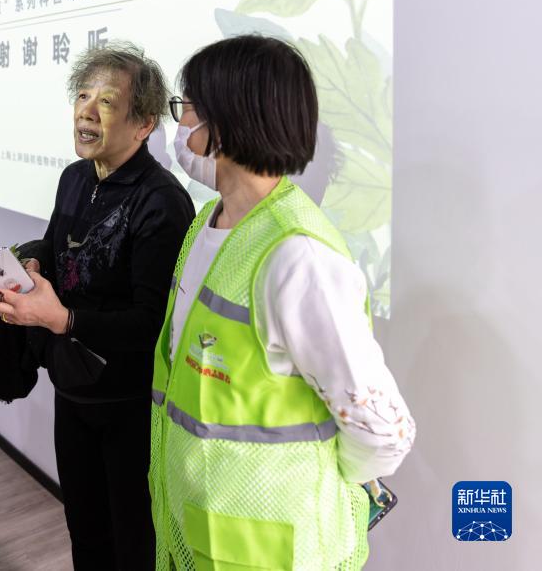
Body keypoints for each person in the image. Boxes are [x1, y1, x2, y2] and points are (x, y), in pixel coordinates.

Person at [150, 35, 416, 570]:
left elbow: (384, 432)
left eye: (187, 108)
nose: (179, 125)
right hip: (194, 528)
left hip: (270, 549)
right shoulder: (207, 225)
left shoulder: (300, 258)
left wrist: (311, 476)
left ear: (225, 125)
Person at [0, 42, 194, 570]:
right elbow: (58, 249)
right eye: (82, 96)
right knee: (85, 531)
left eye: (107, 101)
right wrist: (29, 270)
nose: (87, 111)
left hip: (129, 404)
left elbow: (152, 323)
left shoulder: (162, 201)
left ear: (144, 124)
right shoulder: (75, 178)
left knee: (132, 542)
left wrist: (63, 319)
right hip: (72, 389)